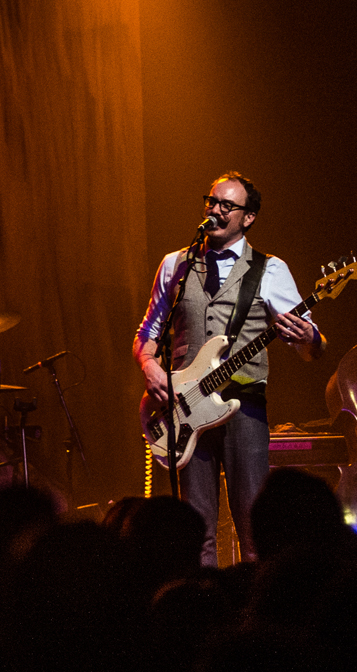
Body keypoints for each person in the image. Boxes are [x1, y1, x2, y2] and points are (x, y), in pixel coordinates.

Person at [134, 172, 323, 564]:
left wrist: (308, 336)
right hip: (185, 410)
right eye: (212, 201)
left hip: (245, 410)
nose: (215, 210)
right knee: (197, 530)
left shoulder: (269, 269)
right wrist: (149, 364)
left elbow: (312, 349)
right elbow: (149, 330)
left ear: (248, 217)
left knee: (253, 526)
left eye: (227, 205)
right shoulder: (176, 264)